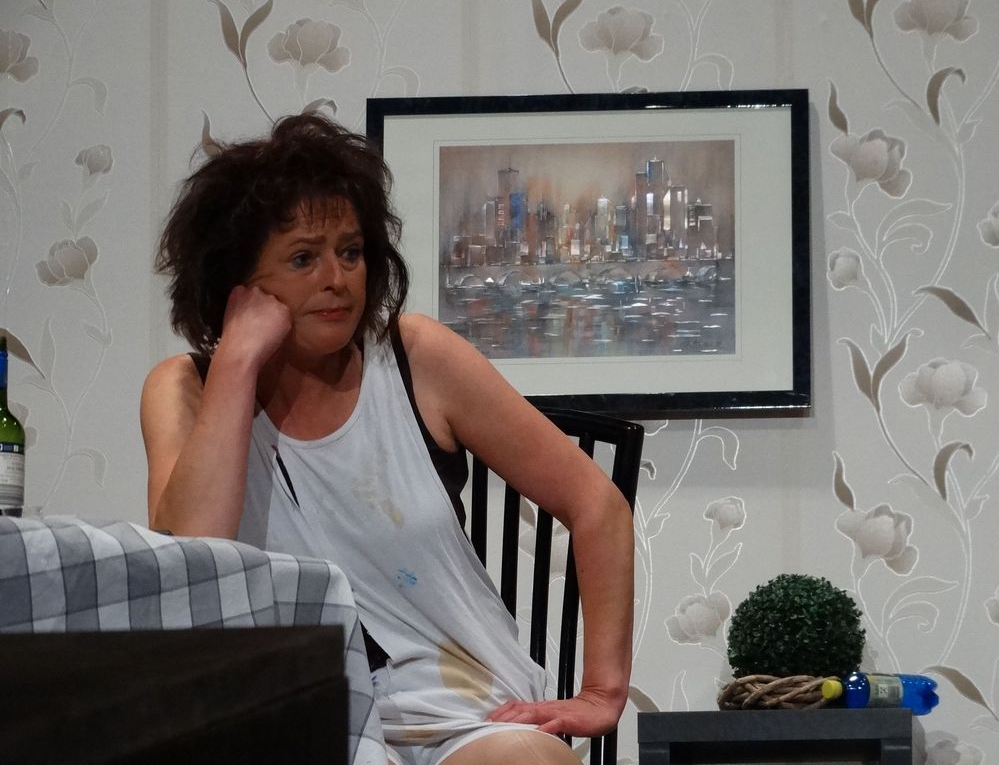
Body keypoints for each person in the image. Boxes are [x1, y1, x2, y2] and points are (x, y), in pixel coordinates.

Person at [140, 113, 634, 765]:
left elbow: (598, 505)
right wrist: (236, 362)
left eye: (350, 251)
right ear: (235, 280)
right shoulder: (184, 388)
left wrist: (602, 692)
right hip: (294, 725)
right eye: (303, 258)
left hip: (470, 719)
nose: (337, 278)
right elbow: (189, 567)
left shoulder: (416, 356)